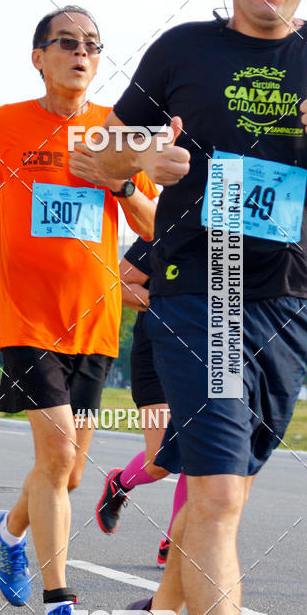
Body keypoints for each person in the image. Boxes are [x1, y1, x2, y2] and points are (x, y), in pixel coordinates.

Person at [70, 0, 307, 615]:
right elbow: (88, 152)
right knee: (215, 490)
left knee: (224, 499)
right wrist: (143, 154)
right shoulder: (183, 50)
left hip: (291, 302)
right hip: (196, 289)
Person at [0, 6, 158, 615]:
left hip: (95, 322)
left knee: (63, 474)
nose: (81, 53)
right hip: (27, 317)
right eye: (67, 43)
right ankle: (60, 612)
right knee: (59, 452)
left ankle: (8, 532)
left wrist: (119, 181)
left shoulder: (117, 132)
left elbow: (151, 226)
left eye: (93, 44)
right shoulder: (4, 125)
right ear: (39, 55)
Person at [95, 236, 187, 569]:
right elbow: (121, 282)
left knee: (200, 455)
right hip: (156, 355)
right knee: (161, 459)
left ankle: (177, 540)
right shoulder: (167, 225)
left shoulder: (244, 232)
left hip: (211, 358)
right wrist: (172, 306)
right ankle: (119, 484)